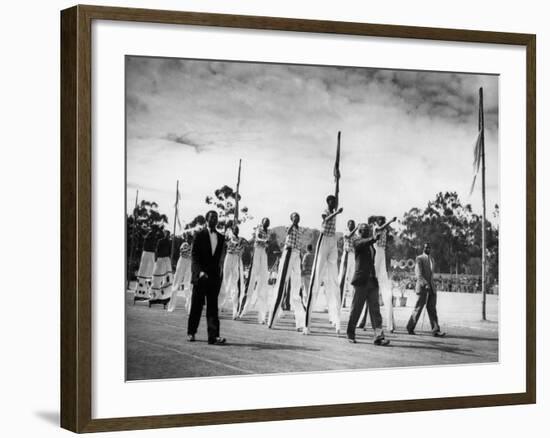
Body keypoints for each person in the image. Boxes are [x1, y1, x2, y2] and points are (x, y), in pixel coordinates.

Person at [304, 195, 344, 335]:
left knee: (334, 281)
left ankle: (337, 322)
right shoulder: (326, 211)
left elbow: (337, 191)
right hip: (323, 239)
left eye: (335, 201)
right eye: (331, 201)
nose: (334, 203)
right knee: (316, 279)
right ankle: (306, 325)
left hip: (332, 240)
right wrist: (337, 213)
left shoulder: (334, 209)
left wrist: (338, 178)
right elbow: (325, 219)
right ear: (328, 203)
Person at [346, 223, 390, 346]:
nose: (366, 231)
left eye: (367, 230)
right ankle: (350, 333)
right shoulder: (357, 242)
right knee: (356, 309)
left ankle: (378, 336)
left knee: (375, 310)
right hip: (361, 281)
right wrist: (373, 239)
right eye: (363, 230)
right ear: (359, 232)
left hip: (371, 281)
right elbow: (362, 243)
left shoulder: (371, 246)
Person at [187, 210, 227, 345]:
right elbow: (194, 256)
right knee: (196, 306)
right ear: (206, 219)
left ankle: (213, 336)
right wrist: (199, 272)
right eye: (212, 217)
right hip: (201, 277)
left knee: (213, 308)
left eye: (216, 218)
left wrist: (218, 276)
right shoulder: (199, 235)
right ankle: (191, 332)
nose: (214, 220)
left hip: (213, 278)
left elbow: (218, 260)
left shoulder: (221, 238)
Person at [268, 212, 306, 331]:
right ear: (291, 219)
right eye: (294, 217)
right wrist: (292, 224)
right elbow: (288, 231)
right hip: (288, 252)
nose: (297, 218)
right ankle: (272, 320)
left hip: (296, 254)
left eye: (298, 216)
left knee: (296, 288)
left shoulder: (301, 229)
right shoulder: (288, 227)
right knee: (281, 285)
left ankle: (300, 322)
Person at [406, 243, 446, 337]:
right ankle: (410, 327)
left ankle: (435, 330)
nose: (427, 249)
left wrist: (431, 285)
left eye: (429, 247)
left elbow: (431, 275)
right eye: (426, 247)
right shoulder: (419, 258)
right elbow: (418, 274)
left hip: (432, 288)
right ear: (423, 248)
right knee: (418, 308)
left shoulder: (432, 259)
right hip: (423, 288)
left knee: (432, 309)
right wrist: (425, 283)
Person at [239, 218, 271, 323]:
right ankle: (242, 310)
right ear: (262, 222)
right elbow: (257, 238)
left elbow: (267, 245)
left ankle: (262, 316)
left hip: (263, 253)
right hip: (257, 252)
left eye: (268, 222)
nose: (267, 223)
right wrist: (265, 241)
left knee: (263, 283)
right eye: (265, 221)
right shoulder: (259, 229)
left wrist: (267, 245)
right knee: (251, 281)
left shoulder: (268, 231)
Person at [372, 216, 397, 332]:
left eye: (383, 220)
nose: (381, 222)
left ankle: (391, 325)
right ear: (377, 222)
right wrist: (390, 221)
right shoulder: (376, 227)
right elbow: (381, 228)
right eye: (380, 220)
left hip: (382, 252)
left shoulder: (385, 230)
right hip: (377, 251)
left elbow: (388, 239)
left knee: (386, 290)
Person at [219, 225, 246, 319]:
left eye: (238, 229)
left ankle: (235, 311)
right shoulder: (229, 237)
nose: (237, 230)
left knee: (234, 284)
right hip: (229, 256)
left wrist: (241, 246)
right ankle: (219, 307)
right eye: (235, 229)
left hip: (235, 258)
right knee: (225, 282)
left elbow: (241, 250)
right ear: (232, 230)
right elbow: (229, 243)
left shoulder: (241, 239)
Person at [133, 226, 160, 303]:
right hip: (148, 253)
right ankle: (140, 294)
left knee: (147, 273)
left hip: (149, 254)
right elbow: (147, 240)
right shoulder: (150, 235)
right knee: (146, 272)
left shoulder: (151, 235)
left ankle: (144, 294)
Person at [149, 230, 173, 307]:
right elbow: (157, 250)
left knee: (167, 279)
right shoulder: (160, 241)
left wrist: (168, 260)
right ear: (164, 234)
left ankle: (165, 298)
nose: (168, 235)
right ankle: (153, 297)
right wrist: (156, 260)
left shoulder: (169, 242)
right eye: (167, 234)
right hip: (160, 260)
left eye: (169, 234)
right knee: (157, 278)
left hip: (166, 260)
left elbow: (169, 252)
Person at [167, 239, 192, 313]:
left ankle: (189, 307)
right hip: (182, 261)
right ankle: (171, 306)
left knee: (188, 285)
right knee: (176, 283)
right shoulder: (185, 244)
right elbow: (183, 252)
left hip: (190, 262)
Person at [339, 219, 358, 309]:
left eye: (353, 224)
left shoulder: (356, 236)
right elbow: (348, 236)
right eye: (350, 224)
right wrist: (356, 229)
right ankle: (340, 302)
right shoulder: (346, 231)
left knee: (352, 279)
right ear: (348, 225)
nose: (352, 226)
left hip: (353, 256)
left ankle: (352, 303)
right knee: (343, 277)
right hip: (346, 254)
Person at [301, 244, 314, 308]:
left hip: (306, 274)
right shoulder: (314, 256)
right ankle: (311, 303)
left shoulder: (306, 255)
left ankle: (306, 304)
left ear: (307, 248)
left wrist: (302, 272)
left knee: (306, 290)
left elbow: (304, 264)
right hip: (312, 274)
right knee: (310, 290)